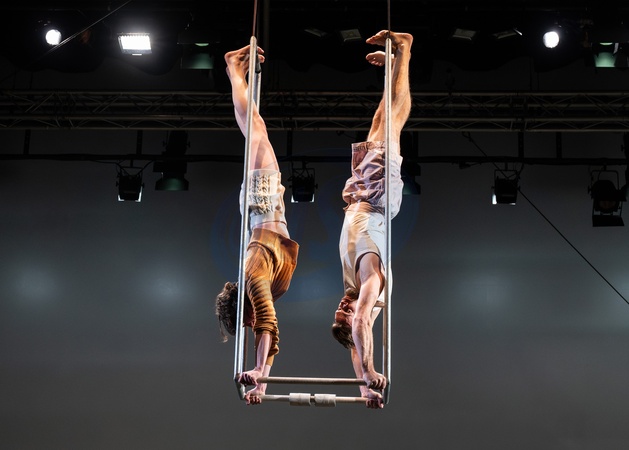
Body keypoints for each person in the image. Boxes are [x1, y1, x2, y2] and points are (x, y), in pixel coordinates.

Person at [331, 30, 413, 409]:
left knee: (381, 118)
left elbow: (355, 341)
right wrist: (371, 370)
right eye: (345, 314)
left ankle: (392, 67)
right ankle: (405, 50)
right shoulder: (370, 284)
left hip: (361, 198)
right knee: (394, 120)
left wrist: (365, 386)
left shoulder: (356, 289)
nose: (342, 307)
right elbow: (362, 325)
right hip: (376, 198)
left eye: (338, 311)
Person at [215, 44, 299, 405]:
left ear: (243, 308)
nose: (250, 325)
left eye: (244, 321)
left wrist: (259, 374)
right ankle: (235, 72)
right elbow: (268, 333)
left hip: (261, 205)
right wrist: (260, 381)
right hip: (265, 209)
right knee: (256, 129)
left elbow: (265, 325)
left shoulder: (253, 277)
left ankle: (234, 70)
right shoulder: (258, 287)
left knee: (256, 129)